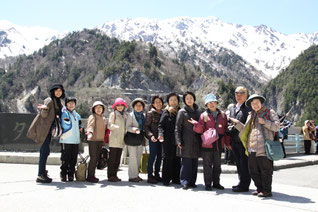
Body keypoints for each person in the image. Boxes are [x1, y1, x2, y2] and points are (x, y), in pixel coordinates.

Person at [230, 94, 280, 197]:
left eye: (257, 103)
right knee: (253, 170)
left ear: (261, 103)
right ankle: (259, 188)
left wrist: (265, 122)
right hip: (252, 147)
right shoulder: (251, 115)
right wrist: (238, 123)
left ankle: (266, 190)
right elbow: (246, 130)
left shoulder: (270, 112)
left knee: (265, 170)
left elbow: (277, 127)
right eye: (253, 104)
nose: (255, 105)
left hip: (264, 147)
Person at [190, 94, 231, 191]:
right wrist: (196, 124)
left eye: (213, 102)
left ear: (216, 103)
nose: (212, 104)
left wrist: (227, 143)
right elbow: (200, 130)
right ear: (207, 105)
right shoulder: (203, 116)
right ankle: (208, 184)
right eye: (209, 103)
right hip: (207, 145)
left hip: (219, 144)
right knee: (207, 166)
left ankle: (216, 183)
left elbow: (225, 131)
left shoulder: (223, 115)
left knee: (217, 166)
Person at [27, 84, 65, 183]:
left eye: (60, 91)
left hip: (48, 130)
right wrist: (44, 110)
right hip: (43, 129)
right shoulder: (49, 100)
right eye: (56, 90)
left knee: (45, 151)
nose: (58, 92)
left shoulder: (58, 102)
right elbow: (43, 115)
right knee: (44, 151)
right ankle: (40, 174)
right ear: (53, 91)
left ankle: (42, 172)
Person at [227, 86, 252, 192]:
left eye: (241, 93)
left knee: (244, 163)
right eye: (237, 93)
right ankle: (241, 182)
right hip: (234, 140)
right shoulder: (233, 108)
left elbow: (248, 126)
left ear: (246, 95)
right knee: (238, 162)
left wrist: (236, 125)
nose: (239, 95)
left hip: (243, 140)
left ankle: (245, 184)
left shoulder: (248, 108)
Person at [175, 91, 201, 190]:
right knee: (186, 162)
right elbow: (177, 128)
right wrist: (178, 141)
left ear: (194, 99)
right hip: (185, 140)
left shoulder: (198, 112)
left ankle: (192, 181)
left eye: (191, 98)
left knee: (194, 162)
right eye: (187, 98)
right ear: (184, 101)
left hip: (196, 140)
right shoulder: (182, 112)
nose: (189, 100)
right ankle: (184, 181)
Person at [158, 93, 181, 186]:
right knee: (167, 159)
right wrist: (161, 135)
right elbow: (160, 126)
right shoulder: (166, 112)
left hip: (177, 139)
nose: (173, 102)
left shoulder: (180, 111)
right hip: (167, 139)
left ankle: (176, 179)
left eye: (175, 100)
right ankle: (166, 179)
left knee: (177, 159)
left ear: (178, 102)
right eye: (171, 100)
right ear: (168, 102)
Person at [59, 97, 82, 182]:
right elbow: (66, 125)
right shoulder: (65, 113)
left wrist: (81, 127)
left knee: (73, 158)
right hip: (66, 139)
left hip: (75, 140)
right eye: (69, 103)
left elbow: (80, 123)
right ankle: (63, 174)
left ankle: (71, 174)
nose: (71, 105)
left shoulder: (76, 114)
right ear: (66, 104)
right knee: (65, 158)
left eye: (73, 103)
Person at [107, 98, 128, 182]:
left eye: (121, 105)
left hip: (121, 140)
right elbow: (109, 125)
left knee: (117, 159)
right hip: (114, 139)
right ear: (115, 106)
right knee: (112, 159)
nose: (120, 107)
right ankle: (110, 175)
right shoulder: (113, 114)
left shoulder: (124, 115)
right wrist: (116, 127)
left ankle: (115, 174)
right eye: (118, 105)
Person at [126, 98, 146, 182]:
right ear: (133, 107)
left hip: (140, 139)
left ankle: (136, 174)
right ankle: (132, 176)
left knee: (138, 157)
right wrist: (135, 129)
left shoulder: (143, 115)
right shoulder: (131, 115)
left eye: (140, 105)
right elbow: (127, 127)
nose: (138, 107)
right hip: (132, 138)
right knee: (133, 158)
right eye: (136, 105)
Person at [145, 95, 164, 184]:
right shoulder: (150, 113)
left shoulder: (164, 113)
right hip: (153, 139)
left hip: (162, 139)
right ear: (153, 104)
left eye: (160, 102)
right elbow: (147, 127)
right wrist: (151, 136)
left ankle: (157, 174)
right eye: (156, 102)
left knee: (160, 157)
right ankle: (150, 175)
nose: (158, 104)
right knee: (152, 157)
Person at [86, 101, 106, 183]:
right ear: (93, 109)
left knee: (97, 158)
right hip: (93, 140)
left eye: (100, 108)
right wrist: (89, 133)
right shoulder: (92, 116)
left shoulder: (103, 118)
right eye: (96, 108)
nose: (98, 109)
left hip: (100, 141)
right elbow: (90, 126)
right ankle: (90, 176)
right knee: (93, 158)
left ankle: (93, 175)